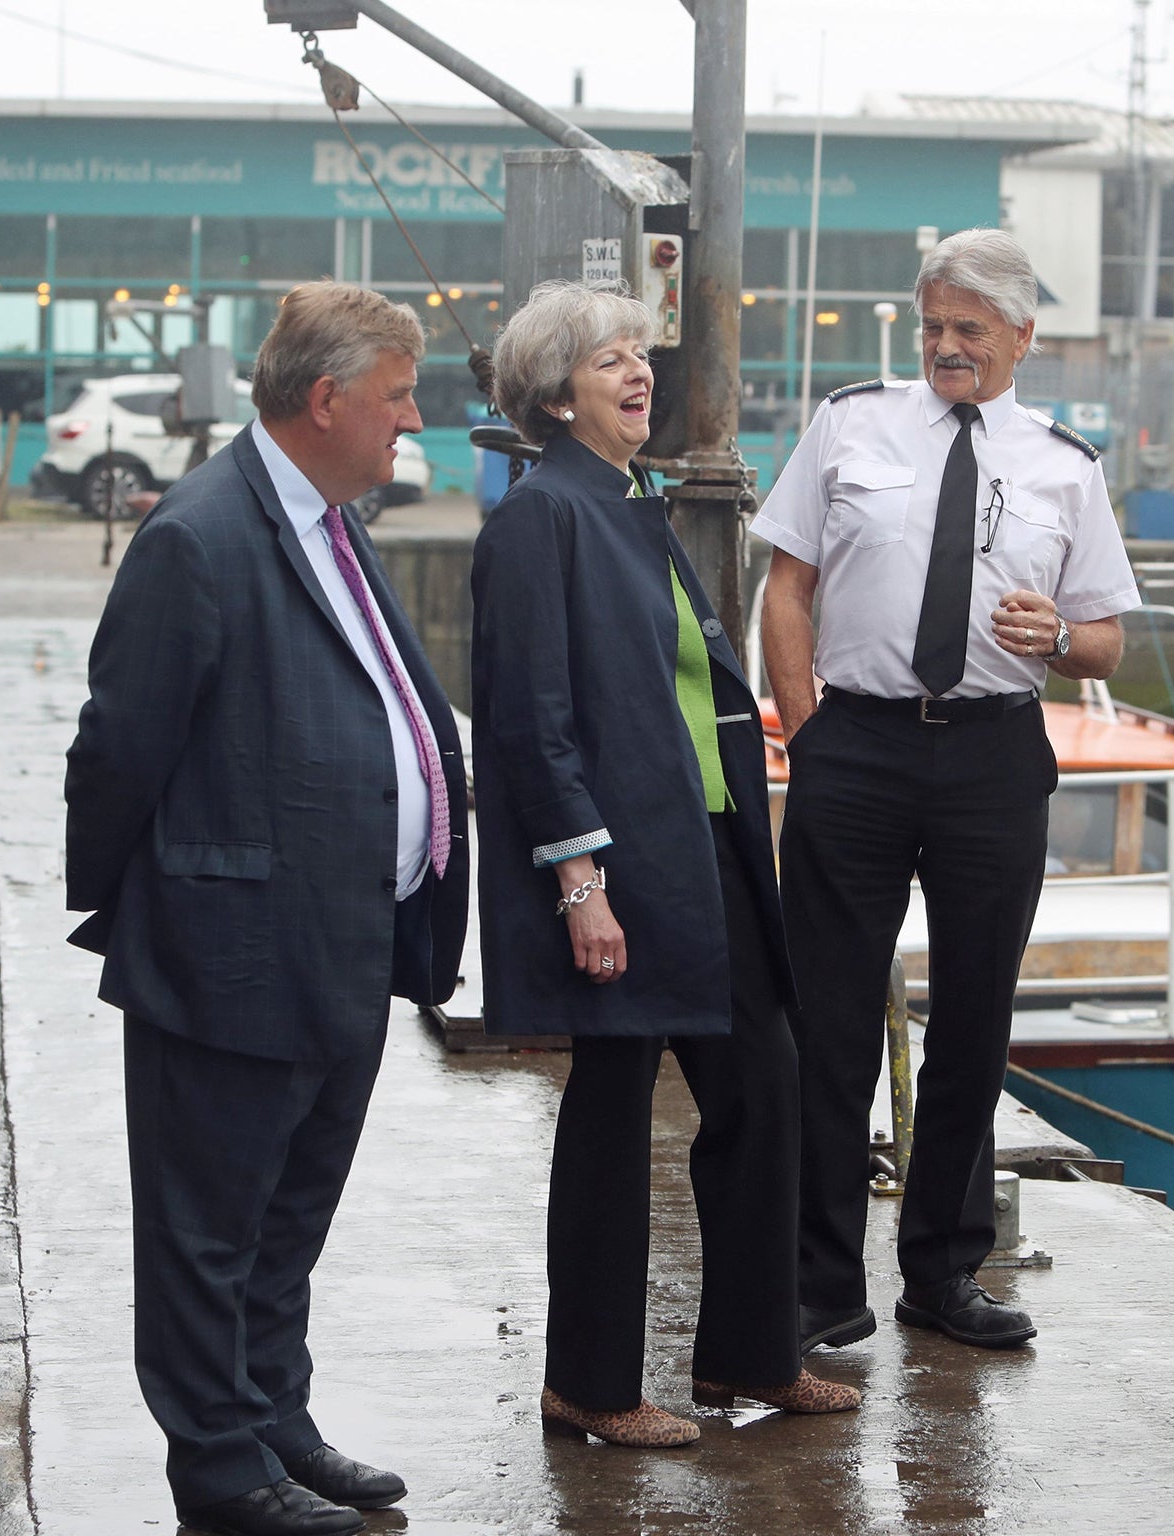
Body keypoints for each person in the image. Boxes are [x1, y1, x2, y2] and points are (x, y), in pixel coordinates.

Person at [64, 281, 469, 1536]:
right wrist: (151, 906)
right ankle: (220, 1470)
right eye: (398, 396)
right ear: (326, 399)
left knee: (288, 1217)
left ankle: (274, 1421)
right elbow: (116, 749)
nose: (413, 420)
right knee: (207, 1230)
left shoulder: (331, 523)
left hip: (344, 941)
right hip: (232, 949)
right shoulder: (198, 535)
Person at [472, 280, 860, 1449]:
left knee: (763, 1086)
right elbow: (531, 717)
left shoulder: (632, 502)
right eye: (609, 360)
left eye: (640, 354)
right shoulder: (542, 516)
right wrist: (579, 884)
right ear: (555, 395)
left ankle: (751, 1354)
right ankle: (588, 1382)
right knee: (610, 1110)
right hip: (620, 862)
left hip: (708, 848)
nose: (639, 373)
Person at [752, 229, 1139, 1355]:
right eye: (932, 326)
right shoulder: (849, 424)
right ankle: (822, 1282)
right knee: (827, 1020)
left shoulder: (1066, 466)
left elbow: (1106, 641)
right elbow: (786, 587)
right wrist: (806, 732)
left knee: (974, 1021)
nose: (945, 347)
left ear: (1021, 336)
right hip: (856, 746)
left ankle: (943, 1272)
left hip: (991, 757)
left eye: (969, 329)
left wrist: (1057, 636)